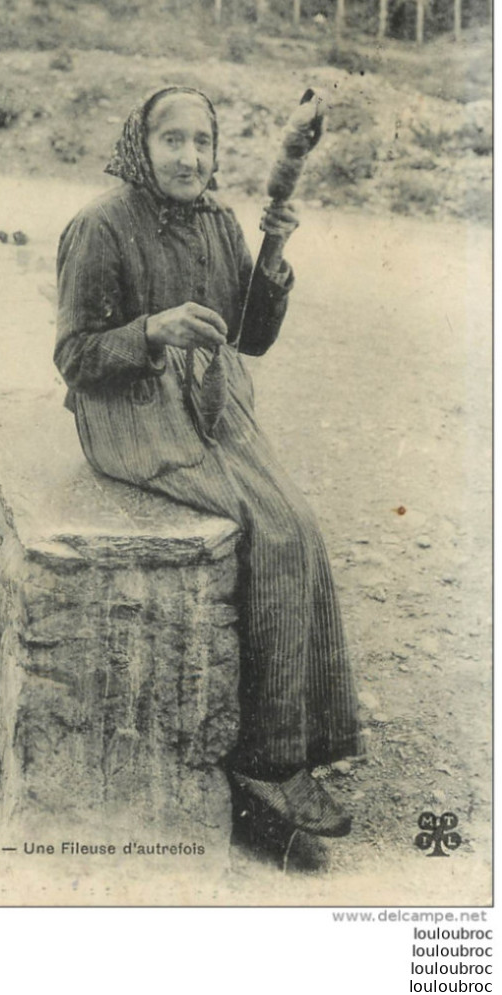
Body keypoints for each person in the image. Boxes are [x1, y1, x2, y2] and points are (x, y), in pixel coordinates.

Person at [54, 85, 362, 863]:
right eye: (173, 140)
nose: (190, 157)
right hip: (126, 414)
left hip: (208, 405)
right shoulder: (101, 225)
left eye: (203, 142)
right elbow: (75, 358)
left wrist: (274, 255)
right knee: (265, 525)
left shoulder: (221, 223)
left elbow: (248, 339)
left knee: (298, 523)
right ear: (141, 145)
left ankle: (293, 750)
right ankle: (262, 769)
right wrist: (151, 329)